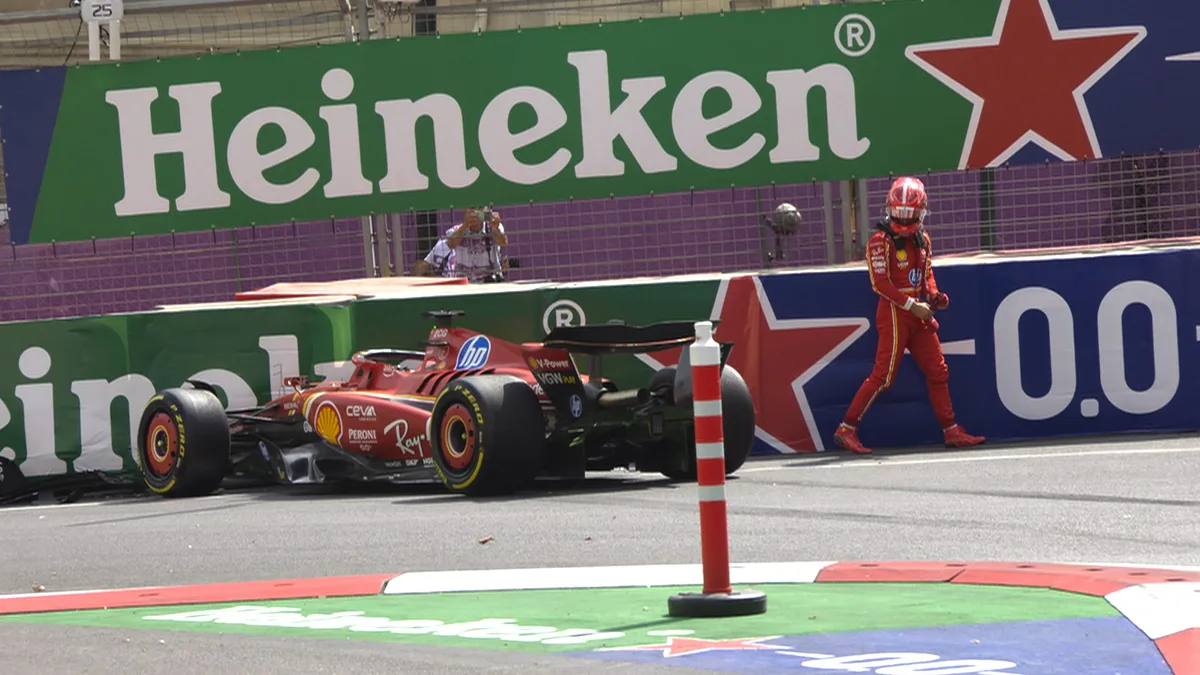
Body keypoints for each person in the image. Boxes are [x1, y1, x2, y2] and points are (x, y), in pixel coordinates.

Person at [833, 176, 985, 455]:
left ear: (921, 212)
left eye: (909, 213)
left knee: (938, 371)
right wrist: (911, 305)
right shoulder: (879, 242)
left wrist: (934, 295)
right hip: (894, 313)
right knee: (884, 375)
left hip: (919, 315)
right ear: (889, 209)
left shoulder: (923, 239)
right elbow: (880, 284)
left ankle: (951, 430)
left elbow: (926, 274)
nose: (903, 219)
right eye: (899, 212)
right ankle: (847, 428)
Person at [412, 207, 508, 281]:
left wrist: (495, 228)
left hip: (488, 284)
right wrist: (466, 225)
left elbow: (503, 242)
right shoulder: (456, 231)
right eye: (472, 208)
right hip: (464, 285)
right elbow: (451, 244)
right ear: (465, 210)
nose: (476, 212)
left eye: (480, 208)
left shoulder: (494, 228)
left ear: (487, 210)